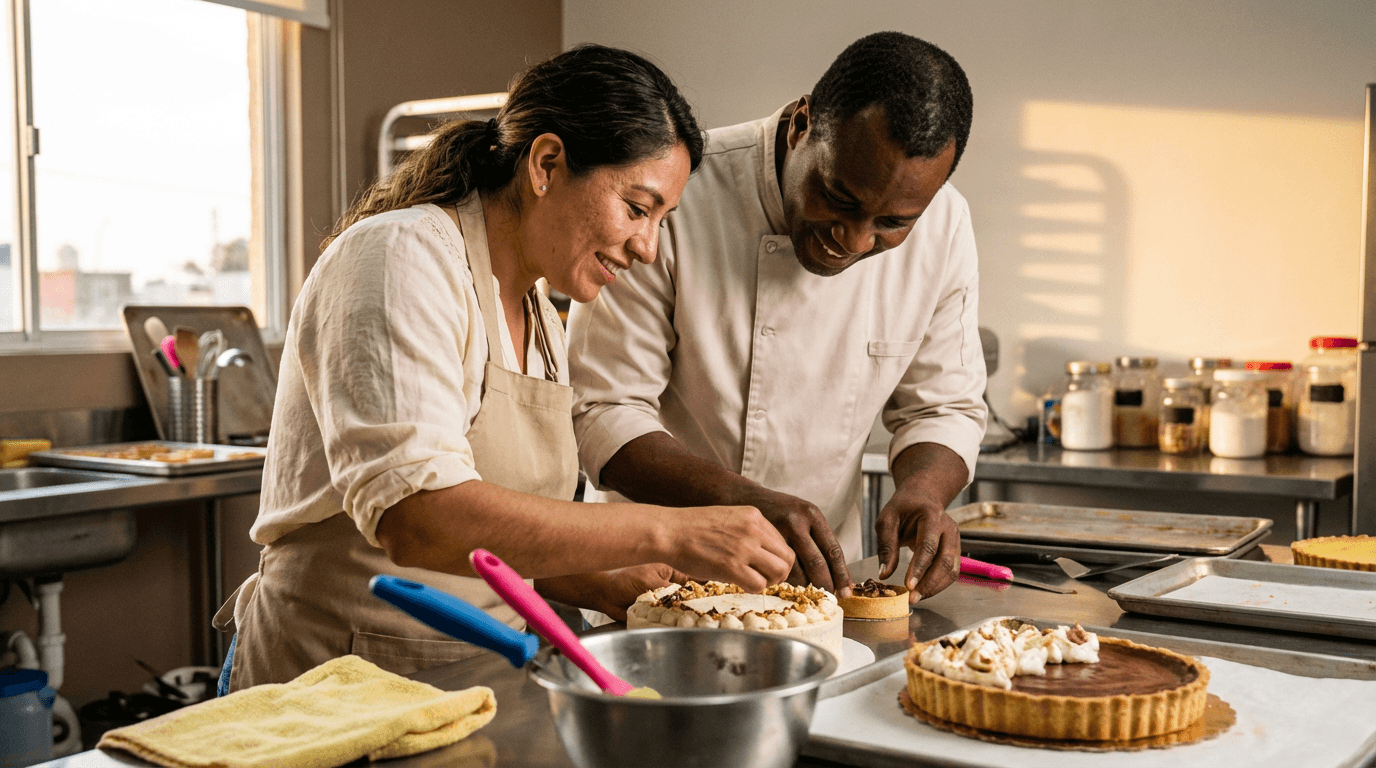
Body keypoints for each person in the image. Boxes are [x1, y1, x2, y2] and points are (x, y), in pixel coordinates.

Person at [214, 44, 794, 692]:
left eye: (662, 220)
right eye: (637, 207)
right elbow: (418, 517)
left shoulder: (542, 317)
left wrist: (596, 579)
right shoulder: (402, 258)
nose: (648, 248)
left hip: (465, 683)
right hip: (332, 680)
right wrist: (677, 531)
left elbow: (493, 540)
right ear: (547, 164)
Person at [567, 32, 986, 606]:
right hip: (652, 577)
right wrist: (746, 504)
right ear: (801, 125)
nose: (856, 238)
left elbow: (943, 407)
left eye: (892, 222)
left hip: (817, 588)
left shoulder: (945, 225)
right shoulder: (677, 193)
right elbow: (603, 411)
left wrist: (924, 493)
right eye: (839, 196)